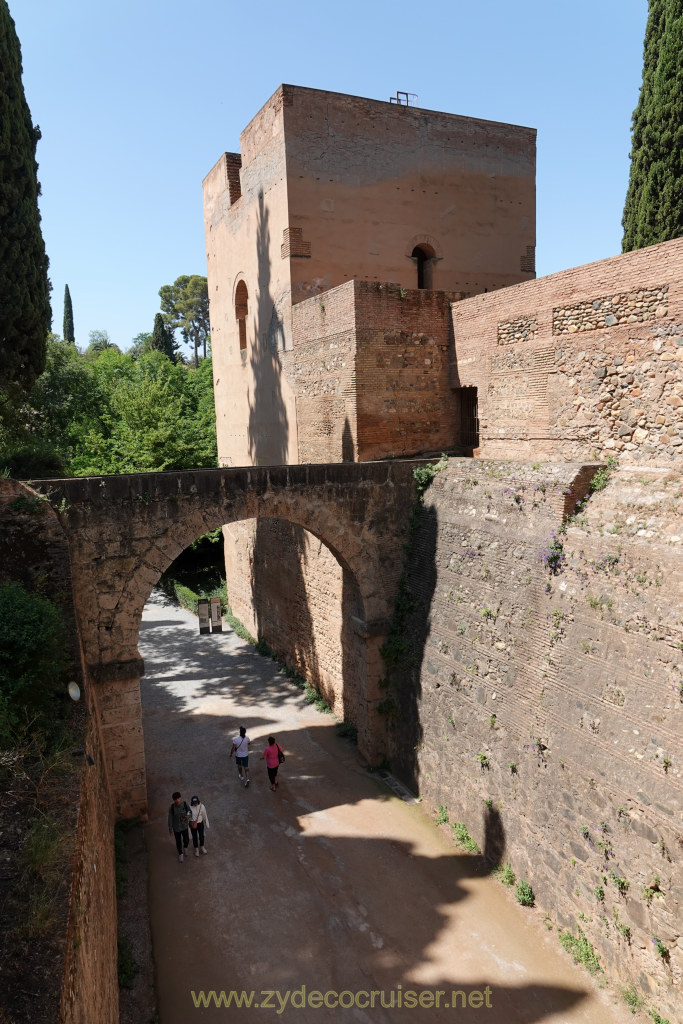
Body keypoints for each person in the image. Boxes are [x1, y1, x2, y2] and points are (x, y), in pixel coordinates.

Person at [168, 791, 191, 862]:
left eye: (178, 798)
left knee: (186, 839)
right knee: (178, 842)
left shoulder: (184, 804)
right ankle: (180, 854)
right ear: (173, 800)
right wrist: (170, 830)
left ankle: (185, 847)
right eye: (175, 799)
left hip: (184, 826)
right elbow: (170, 819)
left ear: (180, 798)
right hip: (176, 828)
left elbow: (190, 812)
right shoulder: (172, 808)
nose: (177, 800)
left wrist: (186, 817)